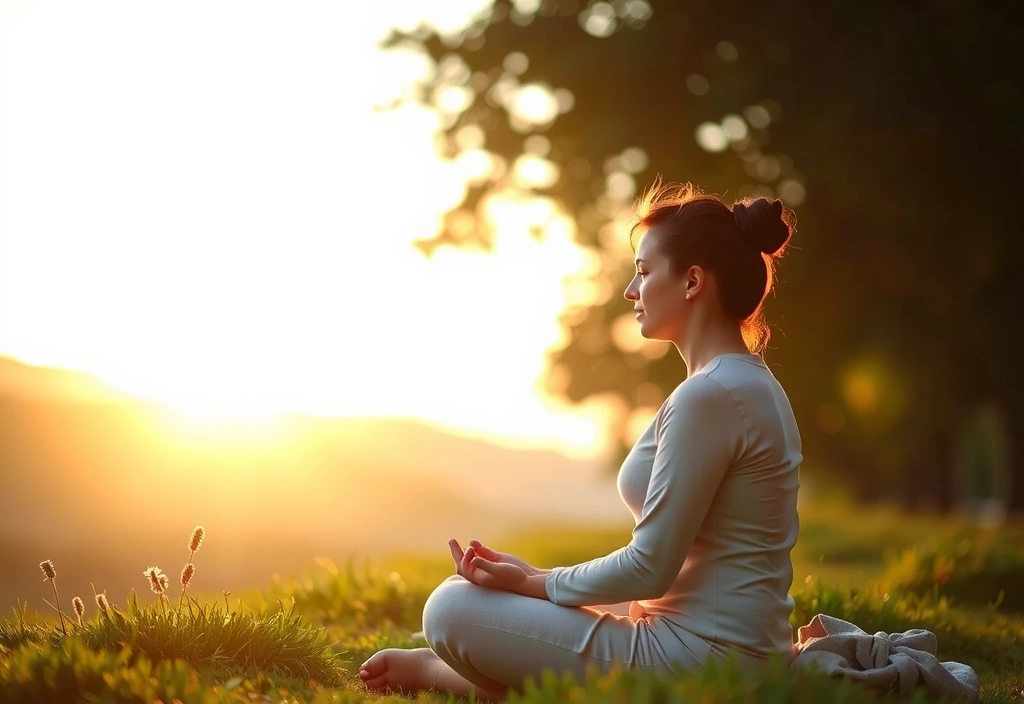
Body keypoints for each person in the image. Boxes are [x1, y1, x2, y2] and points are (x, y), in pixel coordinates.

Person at [359, 180, 802, 701]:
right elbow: (676, 571)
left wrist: (534, 582)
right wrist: (535, 579)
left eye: (642, 272)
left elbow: (649, 568)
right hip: (715, 644)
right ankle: (468, 668)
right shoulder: (741, 383)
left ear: (692, 282)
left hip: (706, 664)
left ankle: (441, 673)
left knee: (449, 608)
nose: (629, 291)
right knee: (477, 595)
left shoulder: (711, 396)